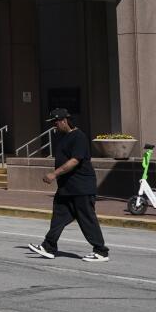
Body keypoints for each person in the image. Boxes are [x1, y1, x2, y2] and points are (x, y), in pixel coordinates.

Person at [28, 108, 110, 262]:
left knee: (86, 219)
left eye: (55, 122)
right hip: (67, 187)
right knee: (58, 217)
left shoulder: (79, 137)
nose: (54, 125)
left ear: (64, 121)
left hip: (81, 187)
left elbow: (75, 160)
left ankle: (101, 251)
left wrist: (54, 174)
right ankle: (49, 246)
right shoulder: (62, 136)